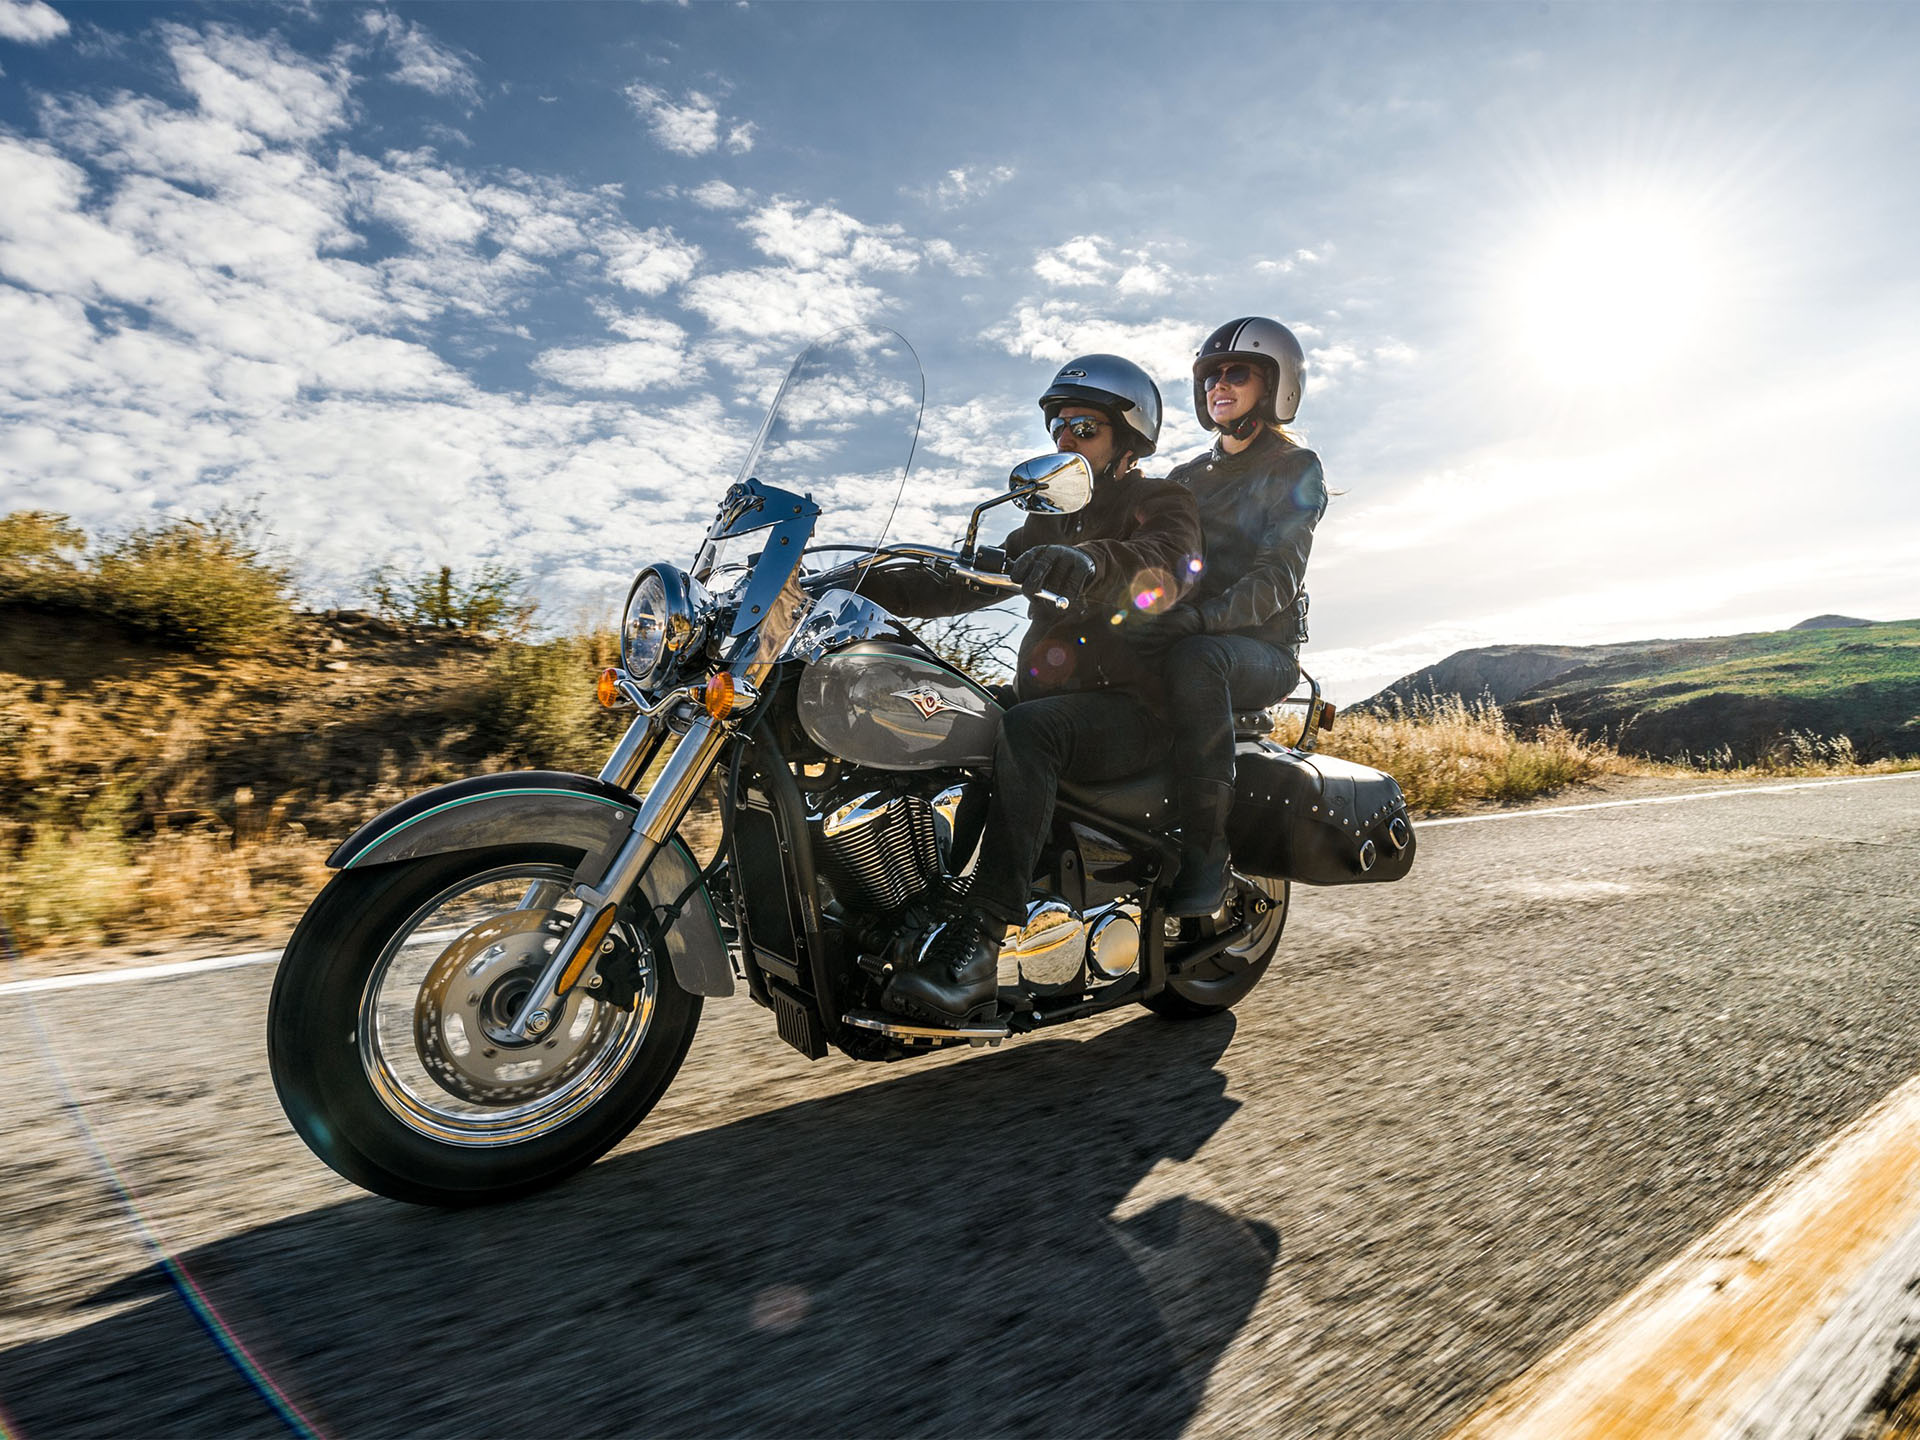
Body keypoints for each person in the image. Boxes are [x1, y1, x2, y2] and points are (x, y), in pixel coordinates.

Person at [859, 355, 1203, 1025]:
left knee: (1028, 730)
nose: (1066, 440)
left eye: (1085, 427)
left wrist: (1094, 564)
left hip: (1135, 709)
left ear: (1126, 443)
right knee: (945, 711)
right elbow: (962, 580)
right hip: (1056, 699)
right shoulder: (1043, 521)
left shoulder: (1159, 501)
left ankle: (981, 944)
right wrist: (862, 579)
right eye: (1059, 428)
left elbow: (1167, 562)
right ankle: (921, 904)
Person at [1134, 317, 1328, 916]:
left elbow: (1278, 574)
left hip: (1259, 651)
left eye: (1237, 372)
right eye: (1211, 374)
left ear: (1274, 385)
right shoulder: (1185, 478)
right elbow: (1150, 560)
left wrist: (1202, 620)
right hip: (1191, 634)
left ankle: (1207, 852)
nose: (1220, 383)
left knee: (1197, 660)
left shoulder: (1295, 468)